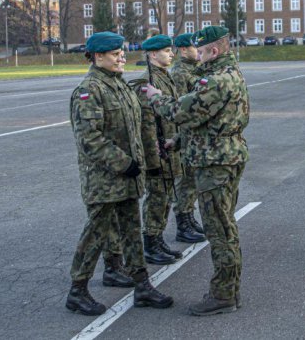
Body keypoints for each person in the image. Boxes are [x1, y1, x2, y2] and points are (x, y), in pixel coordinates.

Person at [66, 31, 173, 316]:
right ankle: (77, 290)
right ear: (98, 56)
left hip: (128, 178)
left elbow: (138, 130)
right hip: (104, 181)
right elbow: (90, 140)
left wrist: (143, 161)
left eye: (122, 53)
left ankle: (142, 286)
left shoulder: (120, 86)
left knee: (131, 233)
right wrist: (124, 163)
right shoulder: (89, 91)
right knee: (96, 235)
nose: (121, 58)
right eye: (115, 54)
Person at [146, 26, 249, 316]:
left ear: (213, 51)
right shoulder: (231, 73)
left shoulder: (216, 79)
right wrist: (177, 140)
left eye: (201, 51)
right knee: (225, 226)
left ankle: (223, 295)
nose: (198, 57)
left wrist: (154, 96)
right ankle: (229, 290)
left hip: (215, 163)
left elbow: (181, 112)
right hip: (225, 154)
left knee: (220, 231)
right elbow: (209, 121)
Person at [128, 34, 196, 266]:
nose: (171, 54)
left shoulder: (163, 77)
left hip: (169, 146)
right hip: (157, 151)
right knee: (157, 197)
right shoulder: (147, 81)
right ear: (153, 54)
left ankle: (158, 240)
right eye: (167, 51)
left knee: (166, 195)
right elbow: (146, 123)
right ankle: (151, 242)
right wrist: (152, 155)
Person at [170, 32, 206, 243]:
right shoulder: (179, 73)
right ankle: (183, 223)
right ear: (184, 50)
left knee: (192, 180)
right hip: (183, 135)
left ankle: (190, 217)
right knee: (184, 181)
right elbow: (179, 107)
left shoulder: (194, 69)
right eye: (194, 47)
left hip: (193, 136)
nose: (198, 51)